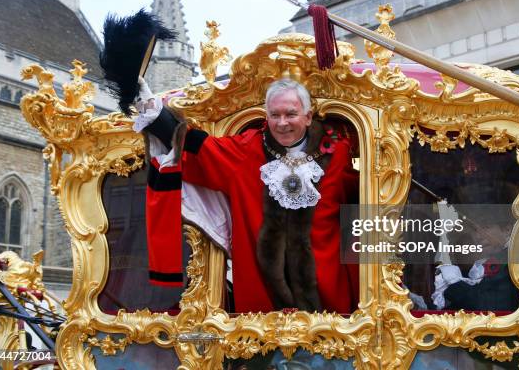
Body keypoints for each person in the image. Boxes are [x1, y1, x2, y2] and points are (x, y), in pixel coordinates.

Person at [135, 78, 359, 313]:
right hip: (263, 304)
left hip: (330, 297)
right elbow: (197, 148)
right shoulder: (247, 150)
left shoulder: (339, 153)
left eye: (291, 114)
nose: (282, 123)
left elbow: (365, 202)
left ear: (308, 116)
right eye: (275, 115)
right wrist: (153, 109)